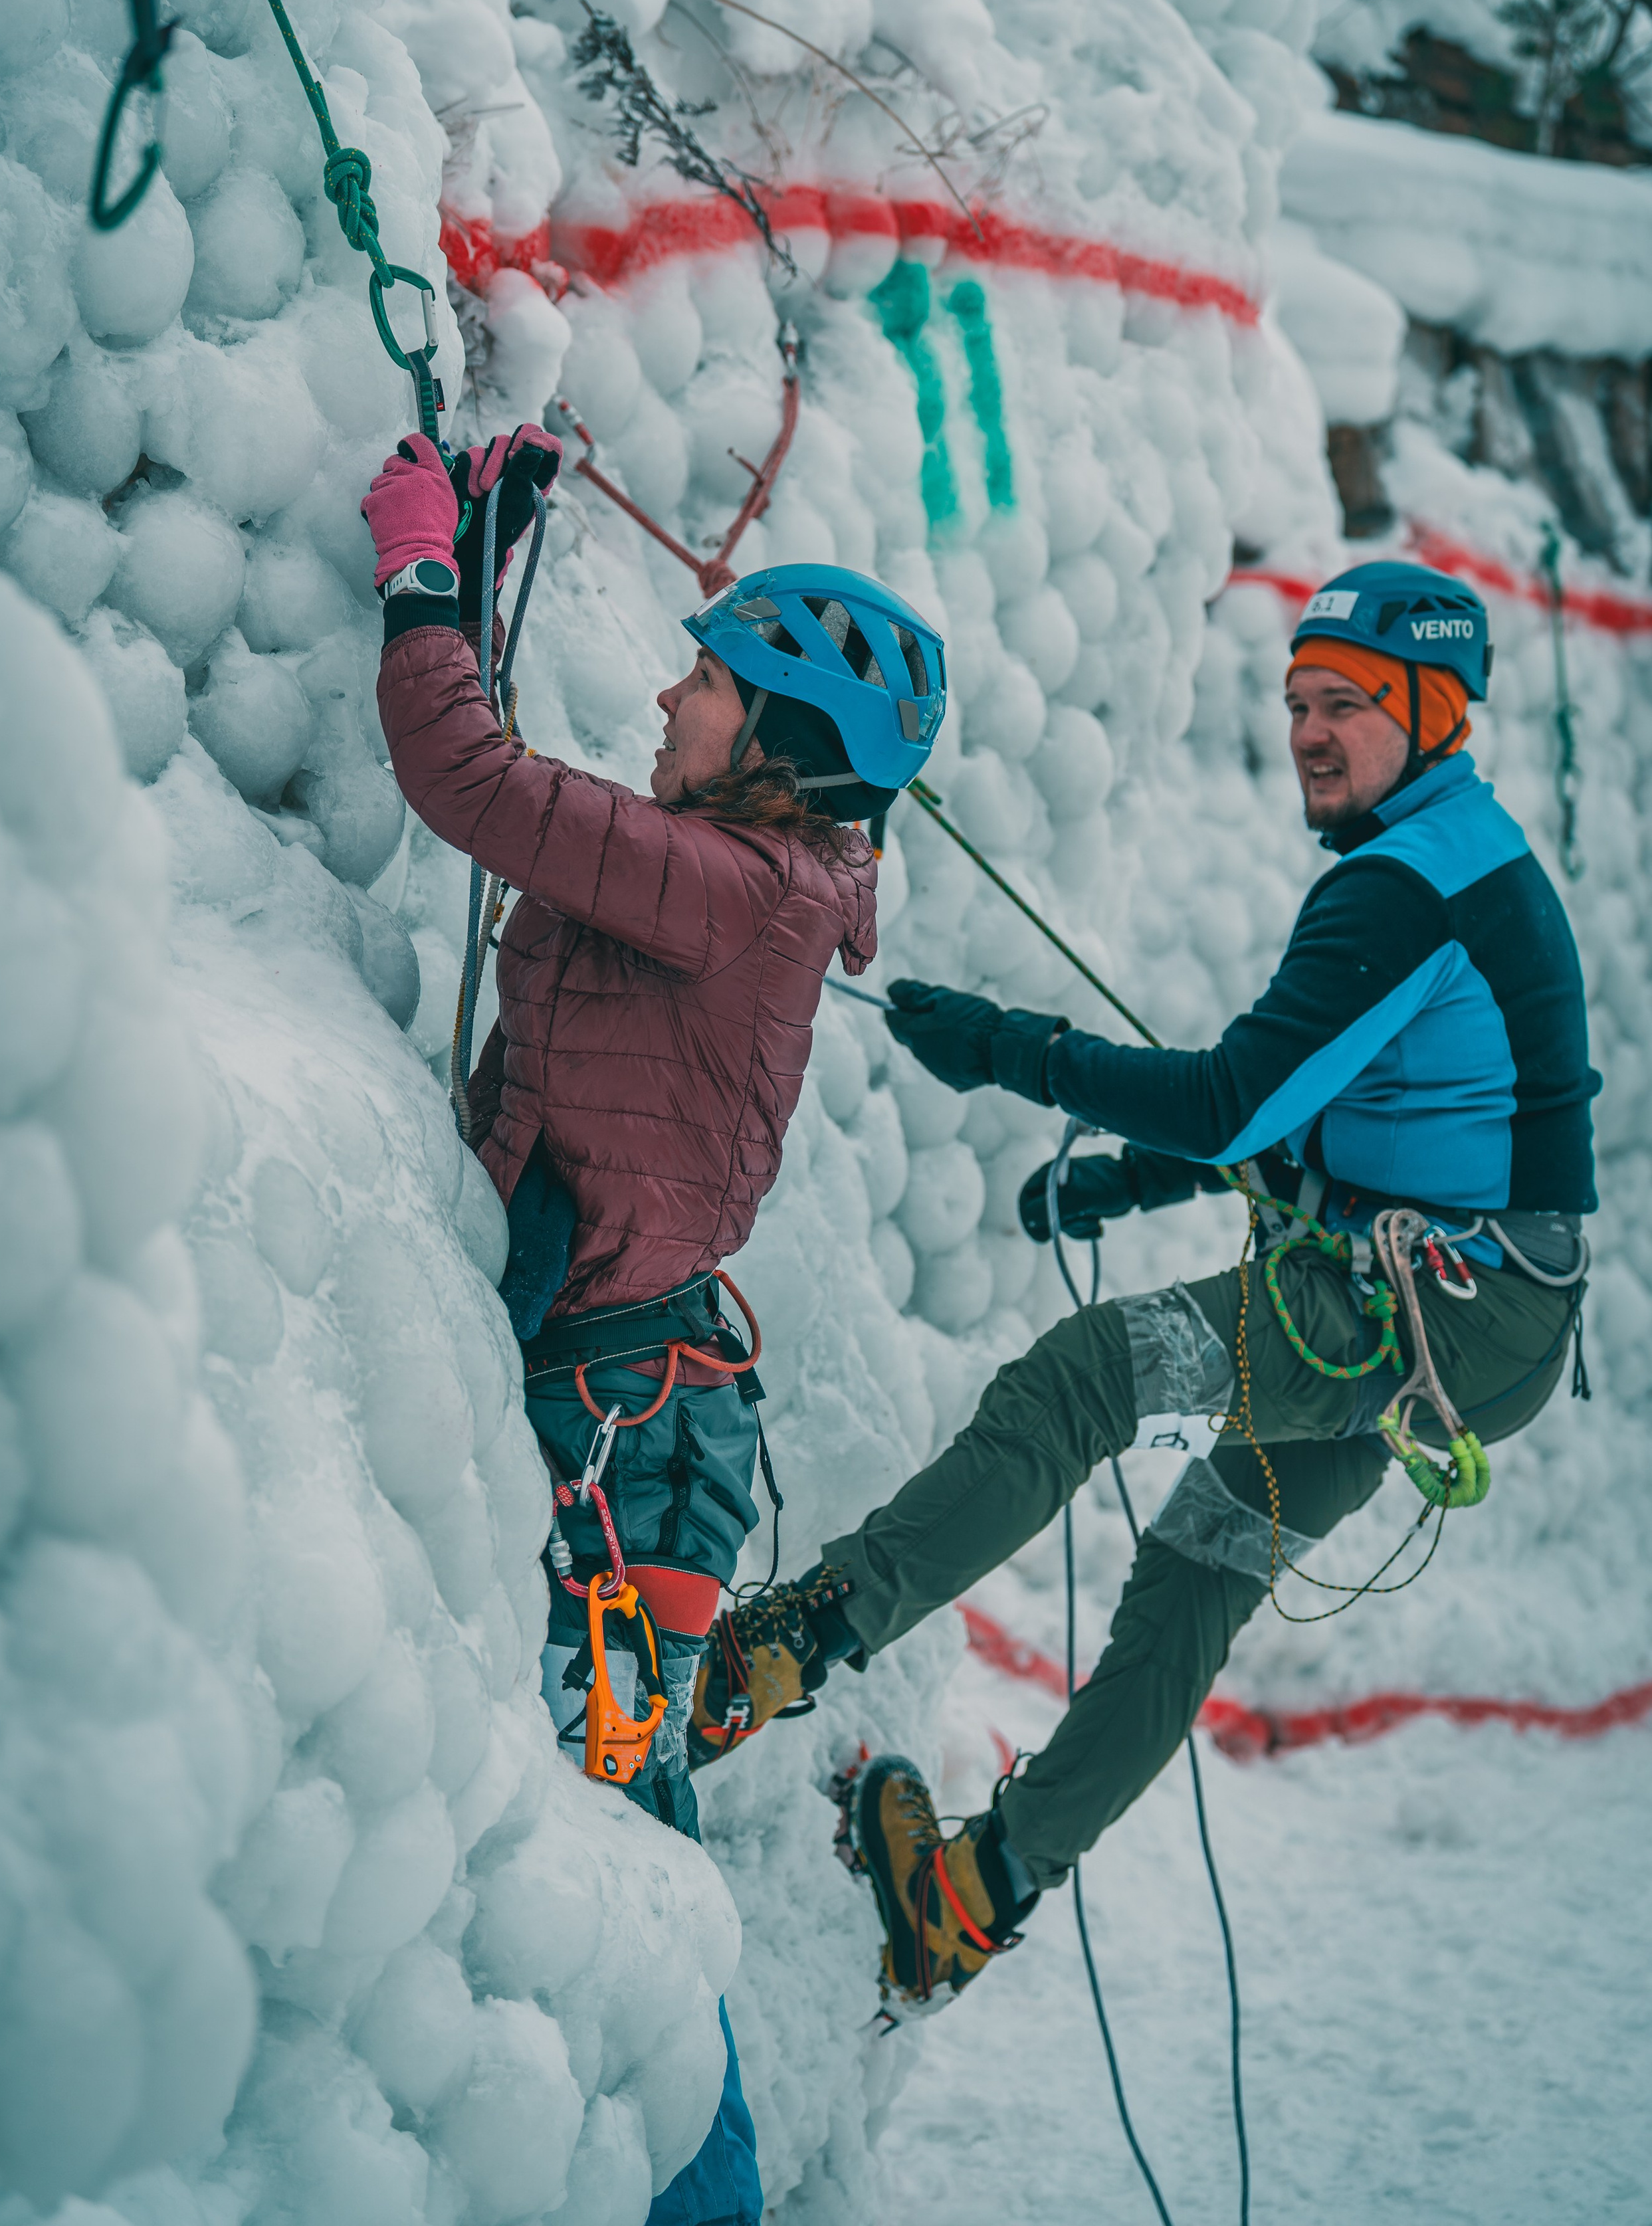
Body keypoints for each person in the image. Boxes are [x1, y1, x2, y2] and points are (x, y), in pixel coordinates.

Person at [688, 558, 1598, 2017]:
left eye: (1346, 703)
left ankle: (779, 1648)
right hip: (1488, 1323)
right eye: (1296, 697)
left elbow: (1240, 1100)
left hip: (1426, 1308)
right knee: (1197, 1563)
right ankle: (969, 1898)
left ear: (1431, 712)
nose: (1309, 727)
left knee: (1087, 1381)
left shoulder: (1404, 887)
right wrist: (1132, 1178)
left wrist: (1011, 1051)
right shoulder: (1453, 859)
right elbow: (1345, 1104)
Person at [363, 423, 948, 2205]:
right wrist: (493, 531)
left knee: (621, 1847)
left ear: (781, 745)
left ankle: (710, 2200)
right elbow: (563, 825)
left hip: (633, 1441)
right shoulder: (737, 873)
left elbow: (470, 782)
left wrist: (413, 577)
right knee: (595, 1823)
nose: (670, 700)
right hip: (617, 1401)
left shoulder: (735, 891)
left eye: (707, 683)